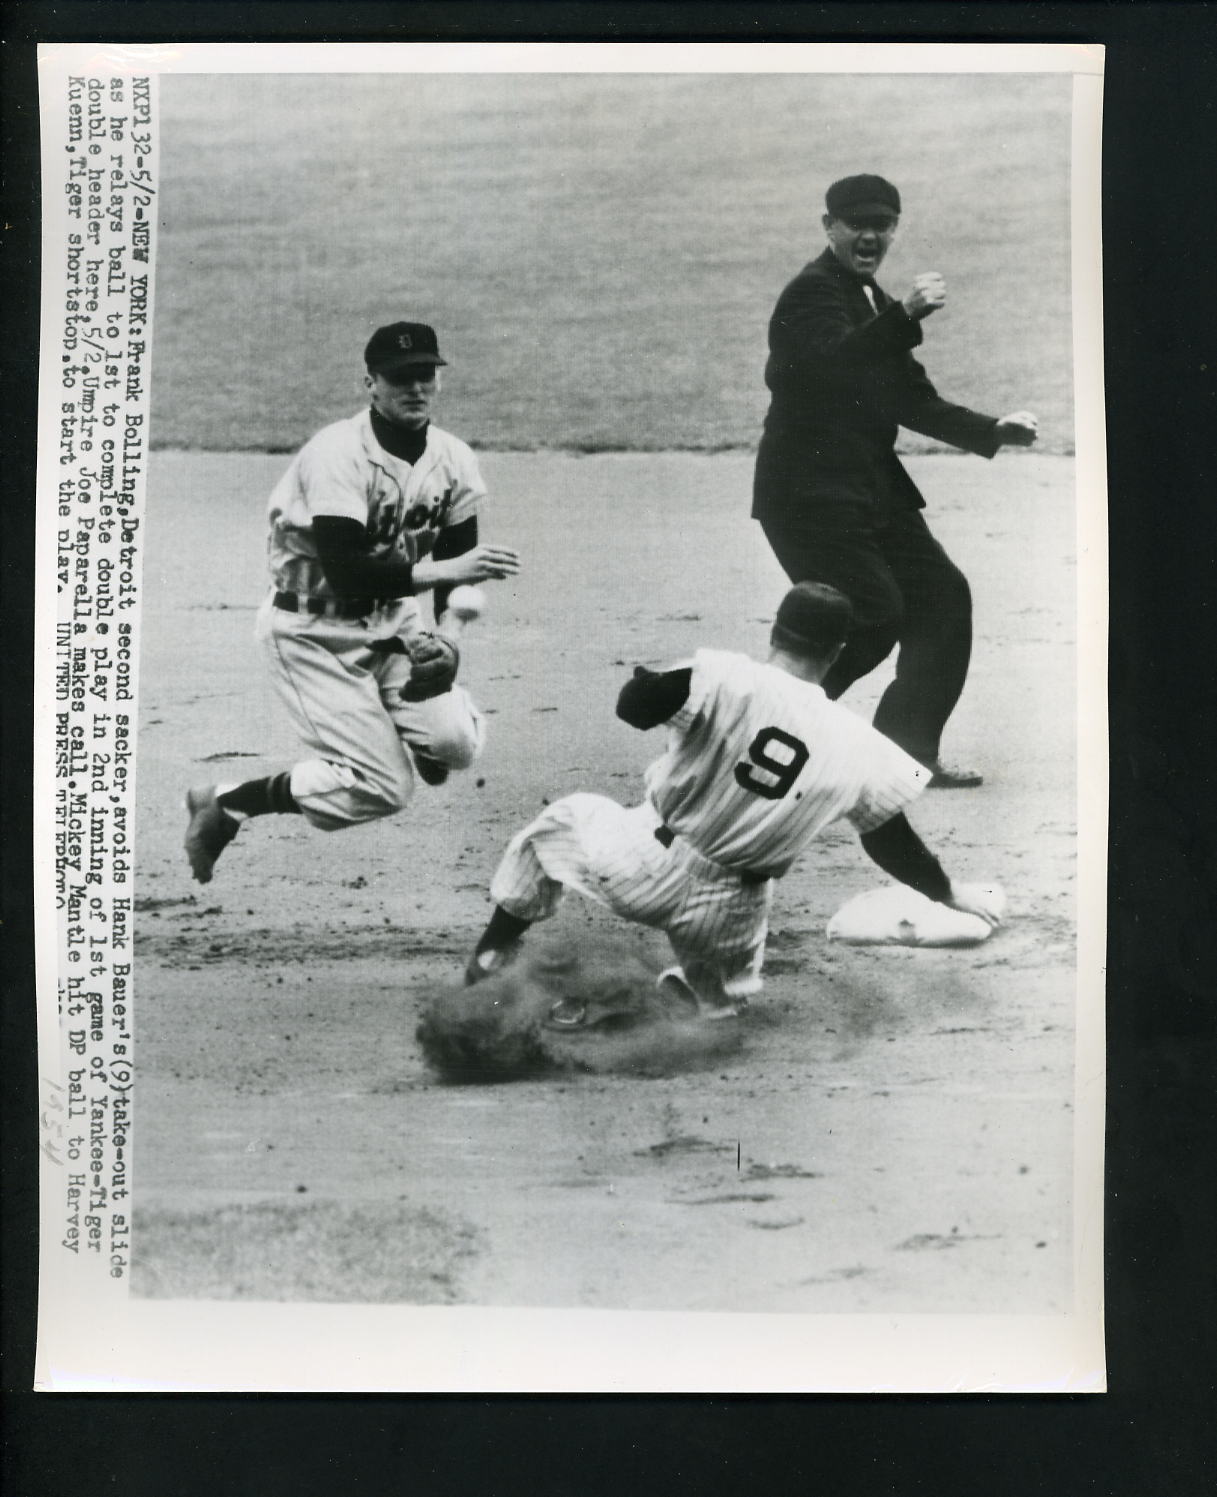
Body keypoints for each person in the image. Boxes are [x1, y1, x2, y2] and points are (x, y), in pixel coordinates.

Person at [465, 583, 1002, 1019]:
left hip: (636, 865)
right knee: (714, 1009)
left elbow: (634, 707)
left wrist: (654, 682)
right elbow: (890, 840)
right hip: (728, 912)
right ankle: (660, 1008)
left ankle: (490, 955)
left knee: (557, 827)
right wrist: (946, 891)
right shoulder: (862, 745)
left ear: (775, 632)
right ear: (838, 651)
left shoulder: (725, 677)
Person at [184, 321, 520, 884]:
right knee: (384, 788)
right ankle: (226, 803)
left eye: (426, 376)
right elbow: (344, 572)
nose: (416, 388)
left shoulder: (454, 458)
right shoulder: (337, 453)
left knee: (457, 745)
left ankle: (424, 737)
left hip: (393, 621)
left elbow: (459, 578)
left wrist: (448, 645)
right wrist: (446, 570)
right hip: (311, 631)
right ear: (370, 382)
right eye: (400, 378)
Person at [752, 173, 1038, 788]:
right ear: (829, 227)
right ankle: (762, 733)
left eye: (883, 224)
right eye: (858, 223)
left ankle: (904, 754)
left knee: (942, 599)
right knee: (874, 616)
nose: (871, 234)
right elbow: (831, 366)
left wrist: (994, 429)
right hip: (807, 497)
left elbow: (912, 397)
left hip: (869, 493)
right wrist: (906, 315)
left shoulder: (871, 299)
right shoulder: (810, 296)